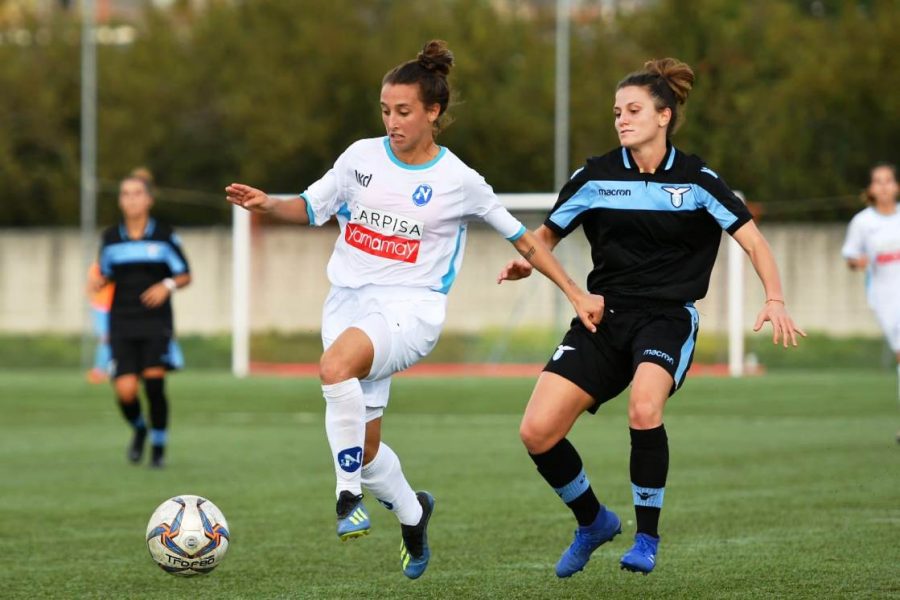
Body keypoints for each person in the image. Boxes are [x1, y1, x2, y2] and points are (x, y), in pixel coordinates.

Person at [225, 40, 604, 580]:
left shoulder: (459, 181)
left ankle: (346, 496)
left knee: (334, 368)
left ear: (433, 112)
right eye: (385, 110)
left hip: (411, 310)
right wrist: (269, 204)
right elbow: (311, 206)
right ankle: (412, 512)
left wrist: (574, 291)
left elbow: (524, 239)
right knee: (366, 449)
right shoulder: (360, 158)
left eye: (403, 111)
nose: (392, 121)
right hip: (347, 306)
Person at [498, 58, 805, 577]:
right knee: (536, 431)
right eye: (617, 112)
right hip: (602, 316)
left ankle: (646, 538)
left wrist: (774, 297)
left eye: (634, 110)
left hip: (666, 319)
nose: (622, 119)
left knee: (643, 408)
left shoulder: (697, 179)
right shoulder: (594, 176)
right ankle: (593, 521)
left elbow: (754, 241)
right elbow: (547, 234)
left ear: (664, 116)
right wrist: (530, 262)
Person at [93, 168, 190, 469]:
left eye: (137, 194)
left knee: (154, 385)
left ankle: (158, 449)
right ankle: (139, 429)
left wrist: (166, 285)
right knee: (125, 391)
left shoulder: (164, 236)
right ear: (120, 201)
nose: (131, 199)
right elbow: (105, 273)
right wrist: (98, 281)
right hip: (122, 322)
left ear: (149, 199)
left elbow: (184, 274)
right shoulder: (110, 238)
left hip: (155, 322)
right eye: (125, 194)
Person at [842, 162, 900, 442]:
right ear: (871, 189)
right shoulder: (863, 222)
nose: (884, 186)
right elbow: (851, 257)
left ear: (896, 186)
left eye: (888, 180)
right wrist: (859, 262)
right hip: (884, 296)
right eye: (878, 181)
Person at [86, 261, 115, 384]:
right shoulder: (97, 267)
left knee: (116, 339)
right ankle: (99, 370)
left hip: (118, 307)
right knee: (105, 338)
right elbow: (93, 286)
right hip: (102, 307)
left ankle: (111, 369)